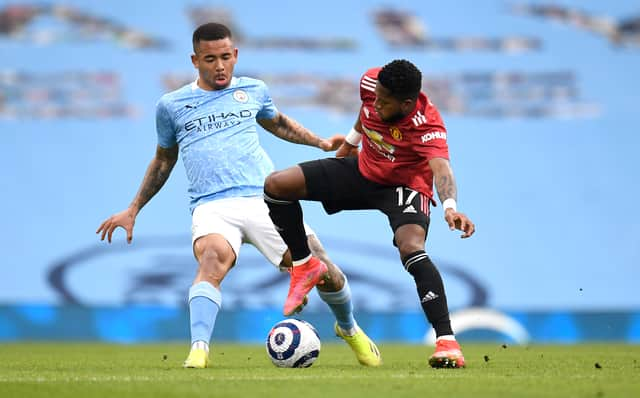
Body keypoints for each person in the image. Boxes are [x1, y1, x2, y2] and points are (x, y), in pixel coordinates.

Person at [96, 22, 381, 369]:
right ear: (195, 60)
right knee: (212, 259)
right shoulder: (171, 105)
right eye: (210, 58)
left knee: (324, 270)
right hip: (212, 205)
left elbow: (278, 123)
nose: (219, 66)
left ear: (235, 56)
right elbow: (163, 159)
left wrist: (320, 142)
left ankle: (349, 328)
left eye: (226, 57)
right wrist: (133, 208)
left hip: (265, 199)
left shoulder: (253, 90)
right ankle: (198, 349)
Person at [264, 59, 475, 369]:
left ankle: (446, 341)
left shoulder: (427, 126)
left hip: (405, 186)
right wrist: (350, 144)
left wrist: (450, 208)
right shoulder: (371, 85)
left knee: (411, 247)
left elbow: (441, 168)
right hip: (364, 171)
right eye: (376, 95)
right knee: (276, 186)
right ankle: (303, 264)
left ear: (406, 103)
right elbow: (365, 114)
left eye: (385, 101)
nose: (376, 104)